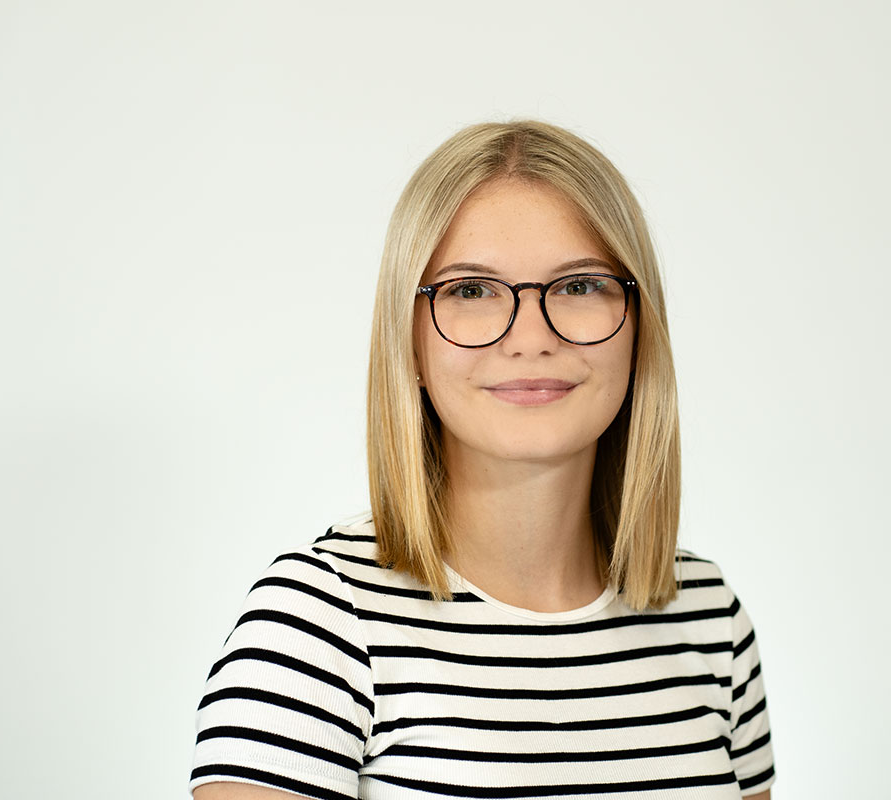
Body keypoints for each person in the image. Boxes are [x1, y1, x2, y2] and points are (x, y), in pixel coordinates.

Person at [189, 120, 776, 799]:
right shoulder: (316, 625)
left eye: (579, 286)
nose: (530, 337)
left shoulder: (709, 617)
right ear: (409, 340)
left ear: (640, 328)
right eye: (471, 290)